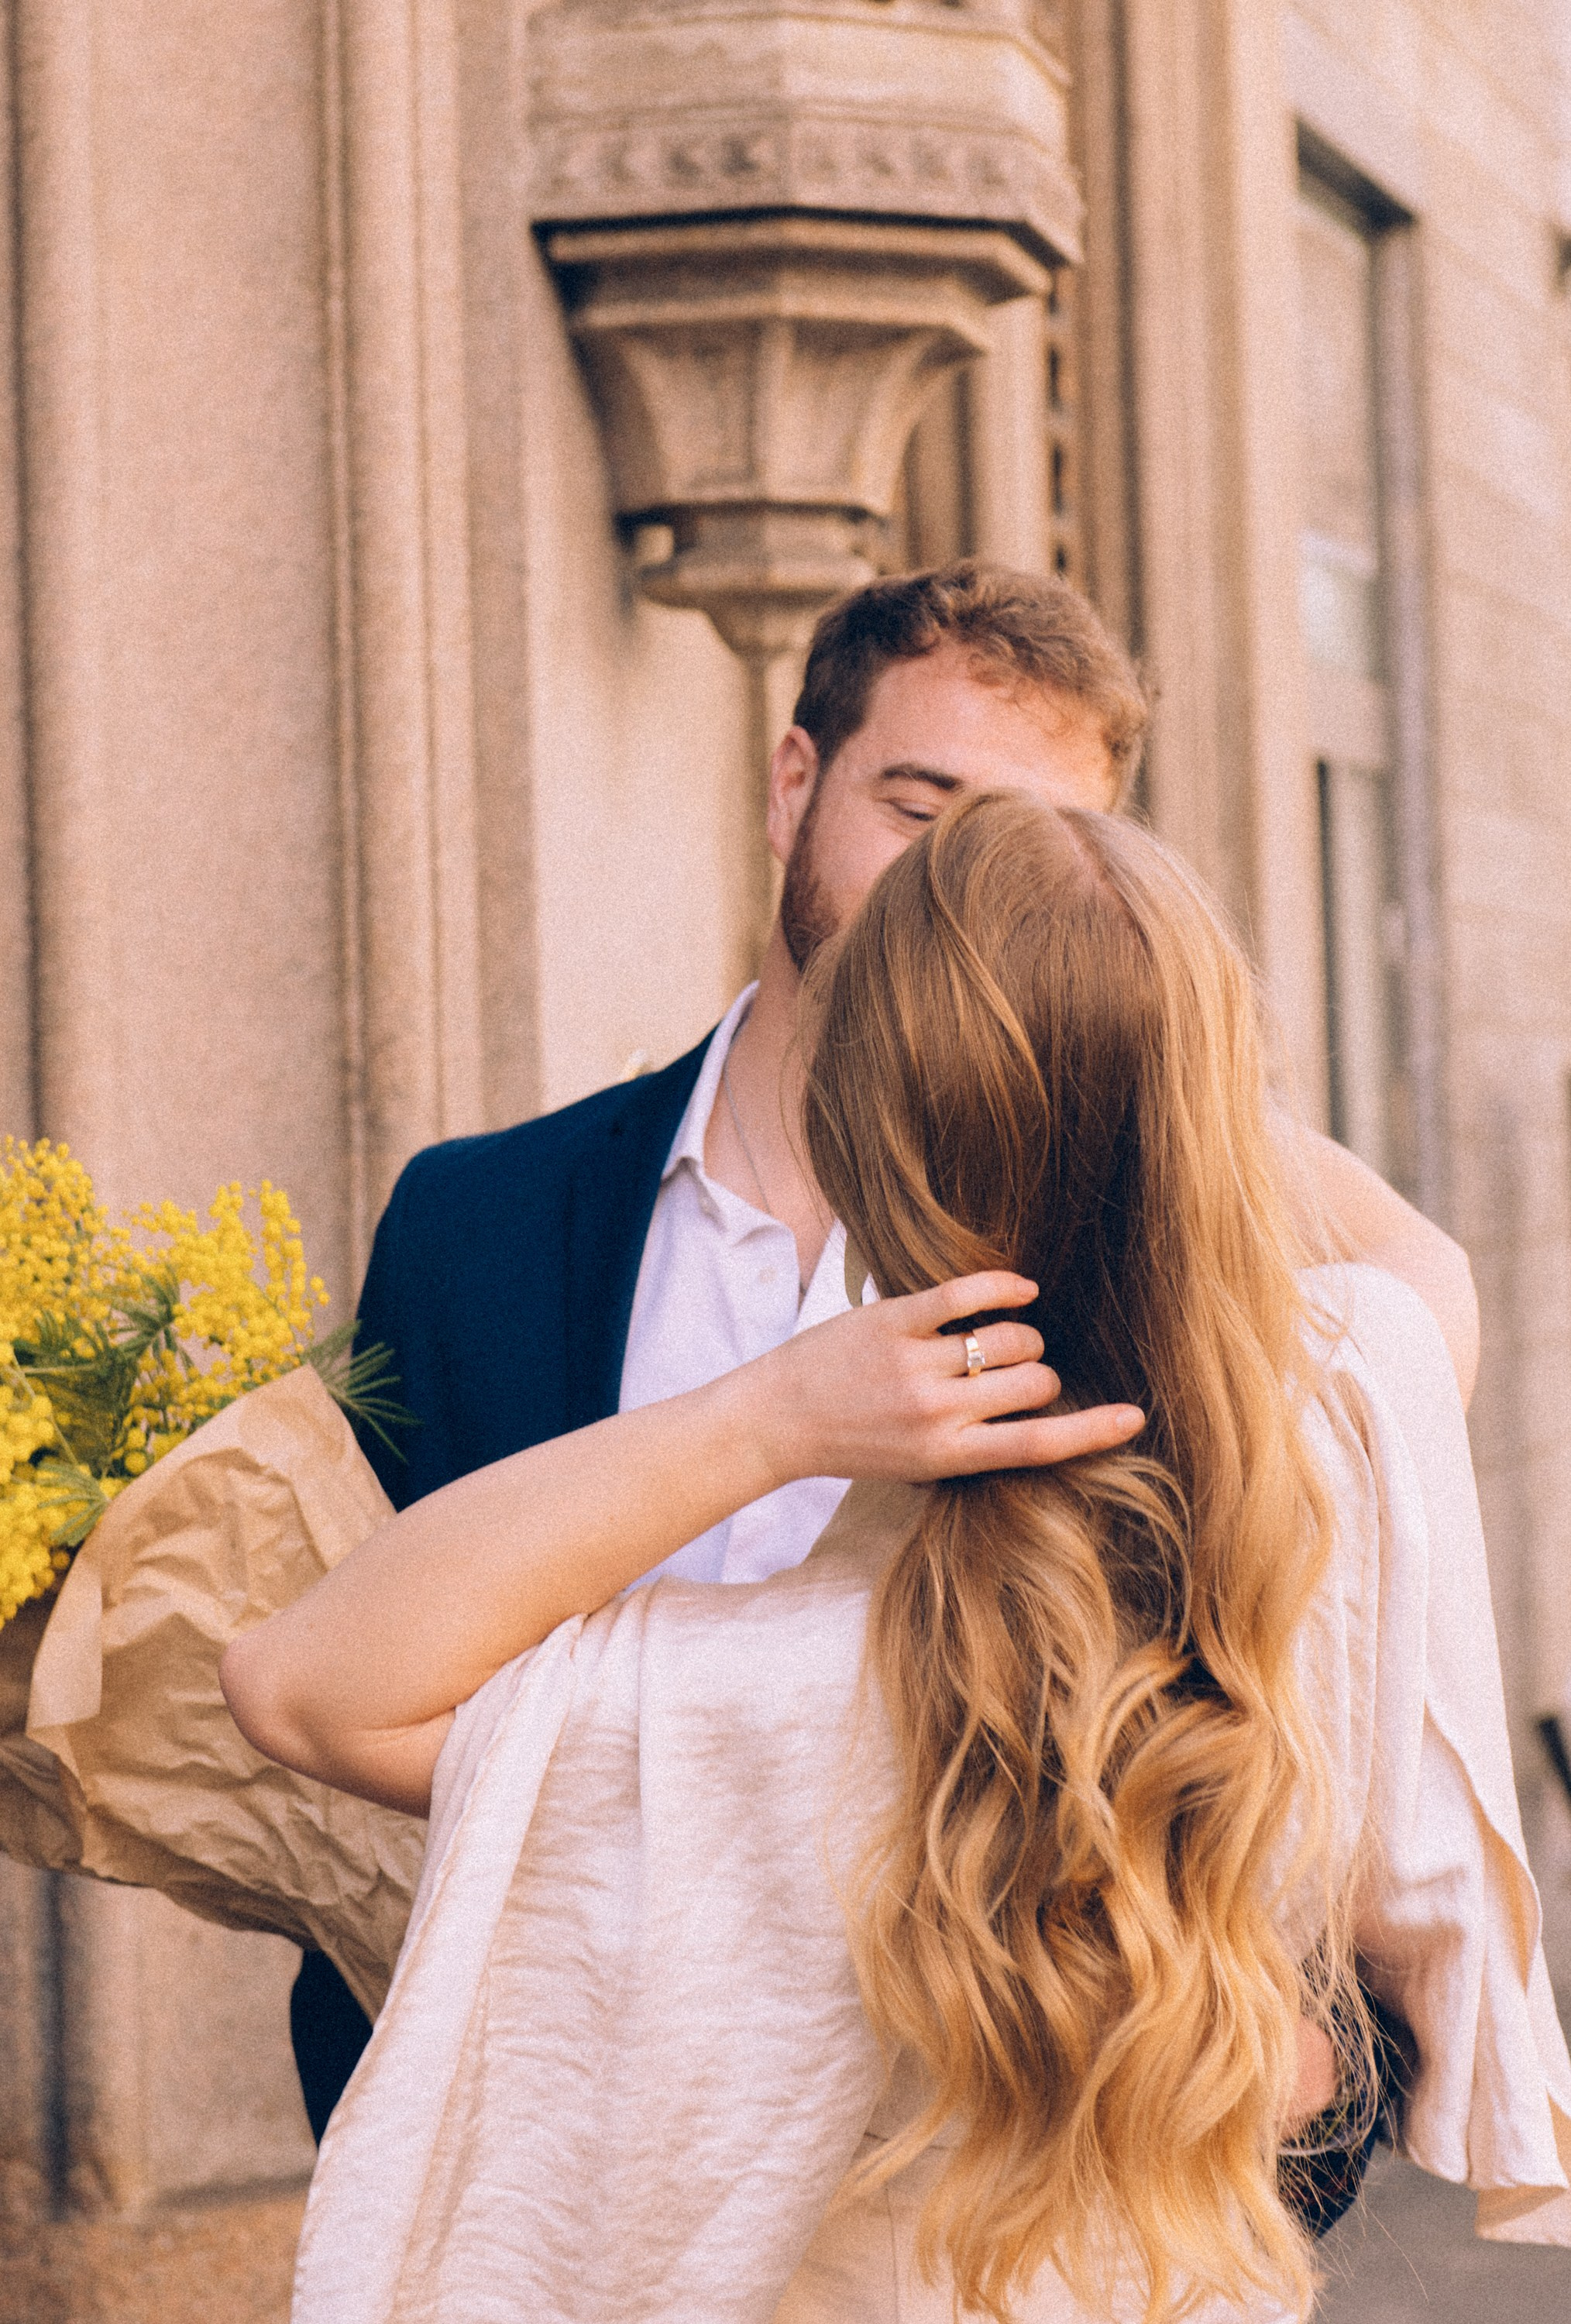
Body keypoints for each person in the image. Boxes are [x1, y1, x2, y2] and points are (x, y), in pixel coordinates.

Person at [225, 794, 1568, 2324]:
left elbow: (299, 1684)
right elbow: (1417, 1270)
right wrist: (1129, 1058)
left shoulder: (790, 1700)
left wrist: (761, 1420)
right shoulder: (1354, 1455)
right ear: (1215, 1118)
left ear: (866, 1145)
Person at [289, 561, 1480, 2131]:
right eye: (923, 815)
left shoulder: (1155, 1282)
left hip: (1042, 2156)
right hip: (564, 2153)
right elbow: (335, 1682)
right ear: (797, 784)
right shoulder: (473, 1220)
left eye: (1019, 863)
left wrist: (1157, 1093)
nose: (950, 910)